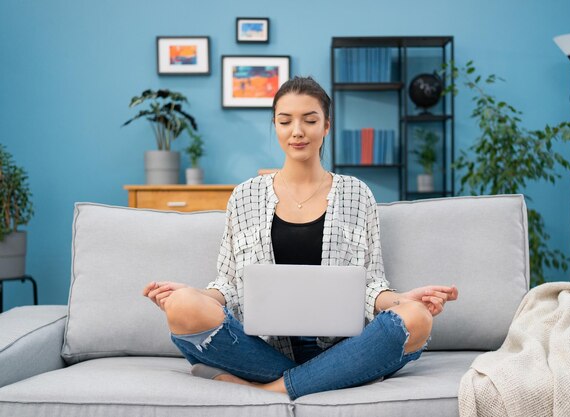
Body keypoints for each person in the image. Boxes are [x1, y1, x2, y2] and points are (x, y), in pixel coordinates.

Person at [142, 76, 458, 400]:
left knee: (416, 318)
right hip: (263, 348)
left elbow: (371, 284)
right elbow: (229, 284)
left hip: (346, 347)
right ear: (275, 126)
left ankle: (272, 388)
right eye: (285, 121)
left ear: (326, 127)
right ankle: (330, 378)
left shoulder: (357, 193)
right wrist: (193, 295)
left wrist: (403, 300)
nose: (297, 131)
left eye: (310, 120)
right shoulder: (244, 196)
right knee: (181, 306)